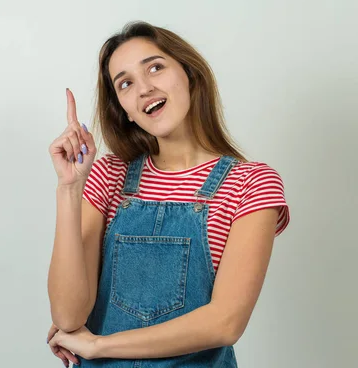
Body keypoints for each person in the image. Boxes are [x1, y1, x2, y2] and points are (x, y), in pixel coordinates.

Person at [46, 21, 290, 367]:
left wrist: (100, 346)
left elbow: (225, 323)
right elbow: (69, 316)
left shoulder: (251, 184)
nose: (144, 88)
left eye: (155, 67)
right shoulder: (108, 176)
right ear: (124, 111)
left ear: (190, 74)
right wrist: (69, 189)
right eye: (126, 83)